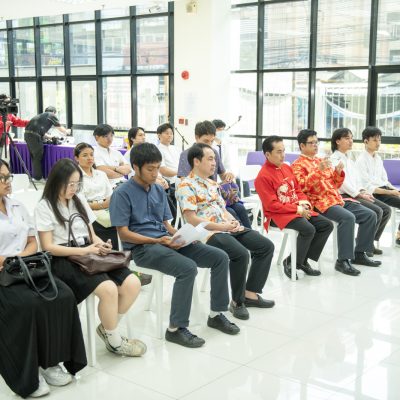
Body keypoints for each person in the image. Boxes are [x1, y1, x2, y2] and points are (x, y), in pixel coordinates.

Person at [110, 143, 239, 348]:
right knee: (187, 268)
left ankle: (216, 314)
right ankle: (175, 329)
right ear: (135, 167)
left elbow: (166, 225)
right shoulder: (122, 193)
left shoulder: (158, 190)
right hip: (141, 249)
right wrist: (157, 240)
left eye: (157, 168)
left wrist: (182, 236)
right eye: (150, 169)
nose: (155, 174)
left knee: (219, 257)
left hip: (164, 241)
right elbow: (123, 233)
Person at [34, 158, 146, 358]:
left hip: (89, 252)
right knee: (109, 289)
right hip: (64, 258)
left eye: (77, 184)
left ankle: (107, 328)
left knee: (133, 283)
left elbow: (91, 234)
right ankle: (115, 341)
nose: (73, 188)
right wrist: (86, 251)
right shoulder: (45, 206)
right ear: (56, 181)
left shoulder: (78, 199)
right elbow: (48, 247)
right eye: (69, 184)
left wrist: (101, 244)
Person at [0, 158, 86, 398]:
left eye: (8, 176)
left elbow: (32, 242)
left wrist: (18, 258)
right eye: (2, 178)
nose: (7, 181)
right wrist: (9, 261)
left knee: (62, 295)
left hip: (25, 267)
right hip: (3, 273)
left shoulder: (17, 206)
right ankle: (27, 372)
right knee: (27, 305)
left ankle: (50, 362)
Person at [176, 143, 275, 321]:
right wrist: (221, 227)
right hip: (207, 232)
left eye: (215, 159)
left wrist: (232, 220)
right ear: (196, 161)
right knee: (240, 254)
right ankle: (237, 302)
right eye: (210, 159)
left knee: (265, 246)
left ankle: (250, 293)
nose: (214, 163)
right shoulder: (186, 185)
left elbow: (222, 209)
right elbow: (191, 219)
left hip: (225, 226)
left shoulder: (213, 184)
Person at [292, 129, 380, 277]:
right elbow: (302, 187)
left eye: (316, 142)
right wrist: (318, 171)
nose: (315, 145)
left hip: (336, 199)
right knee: (348, 218)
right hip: (319, 202)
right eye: (311, 143)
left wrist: (338, 173)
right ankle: (343, 260)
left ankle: (360, 253)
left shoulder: (320, 160)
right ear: (302, 146)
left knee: (370, 215)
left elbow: (334, 184)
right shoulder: (297, 165)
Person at [255, 136, 333, 280]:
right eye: (279, 152)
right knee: (308, 229)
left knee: (326, 225)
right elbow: (272, 205)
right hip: (277, 215)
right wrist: (297, 210)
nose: (283, 155)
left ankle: (300, 260)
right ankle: (293, 262)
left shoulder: (286, 167)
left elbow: (297, 190)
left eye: (284, 151)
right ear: (267, 154)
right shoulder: (262, 177)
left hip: (296, 210)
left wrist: (304, 203)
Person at [177, 120, 251, 228]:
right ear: (196, 137)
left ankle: (246, 233)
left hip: (216, 195)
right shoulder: (186, 154)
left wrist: (229, 175)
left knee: (240, 208)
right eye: (205, 141)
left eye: (211, 141)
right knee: (231, 213)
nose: (209, 145)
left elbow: (223, 175)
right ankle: (237, 231)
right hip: (202, 200)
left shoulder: (213, 152)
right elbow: (183, 181)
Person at [331, 128, 390, 256]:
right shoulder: (334, 160)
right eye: (347, 138)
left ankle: (366, 244)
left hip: (356, 193)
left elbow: (357, 181)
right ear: (337, 141)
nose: (351, 141)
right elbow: (343, 184)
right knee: (376, 211)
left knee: (384, 210)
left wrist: (363, 191)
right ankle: (363, 248)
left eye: (351, 138)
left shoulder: (349, 160)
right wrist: (358, 194)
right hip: (344, 196)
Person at [355, 126, 400, 246]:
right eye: (375, 140)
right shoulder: (361, 160)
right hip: (373, 193)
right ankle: (370, 241)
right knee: (386, 210)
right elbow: (368, 187)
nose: (378, 143)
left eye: (379, 140)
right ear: (366, 141)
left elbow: (385, 180)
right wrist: (390, 192)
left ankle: (397, 235)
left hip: (383, 190)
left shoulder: (378, 158)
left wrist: (394, 189)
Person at [24, 106, 69, 181]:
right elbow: (60, 128)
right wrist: (67, 131)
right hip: (34, 137)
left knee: (34, 157)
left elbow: (40, 132)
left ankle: (36, 177)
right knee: (37, 157)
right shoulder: (51, 115)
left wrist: (51, 137)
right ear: (54, 112)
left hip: (27, 135)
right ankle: (38, 178)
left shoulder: (41, 116)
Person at [93, 124, 131, 188]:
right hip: (107, 186)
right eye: (106, 136)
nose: (110, 139)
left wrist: (109, 168)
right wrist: (118, 169)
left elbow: (128, 169)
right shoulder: (93, 152)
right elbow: (103, 172)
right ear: (97, 138)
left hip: (123, 183)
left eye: (111, 136)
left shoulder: (116, 152)